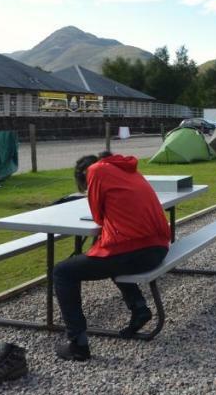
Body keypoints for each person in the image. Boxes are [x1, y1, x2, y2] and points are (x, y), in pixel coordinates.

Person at [53, 153, 171, 361]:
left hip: (136, 249)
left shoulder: (96, 171)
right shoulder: (128, 170)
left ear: (83, 175)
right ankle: (139, 308)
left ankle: (78, 345)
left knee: (63, 272)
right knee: (106, 253)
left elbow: (98, 216)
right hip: (158, 247)